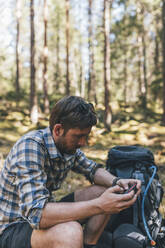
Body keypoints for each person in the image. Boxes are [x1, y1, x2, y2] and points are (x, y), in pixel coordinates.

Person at [0, 96, 141, 248]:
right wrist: (100, 205)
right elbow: (37, 215)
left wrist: (117, 181)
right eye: (78, 136)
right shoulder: (30, 147)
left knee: (108, 190)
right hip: (13, 228)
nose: (83, 143)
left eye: (86, 136)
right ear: (58, 129)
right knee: (70, 232)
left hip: (42, 213)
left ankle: (89, 244)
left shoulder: (66, 146)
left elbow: (92, 170)